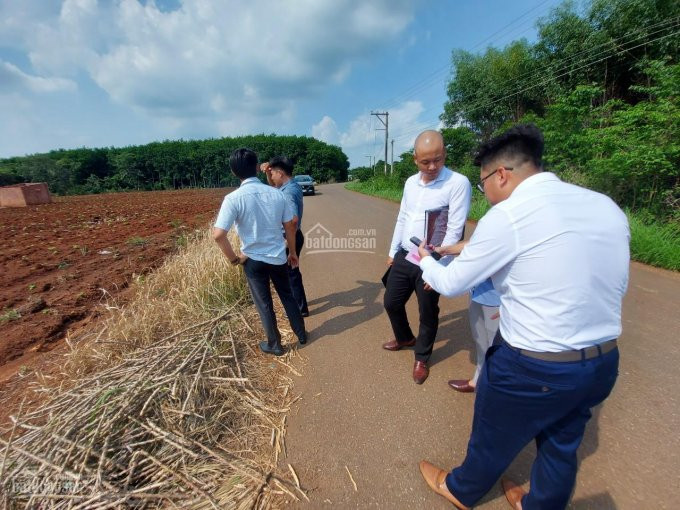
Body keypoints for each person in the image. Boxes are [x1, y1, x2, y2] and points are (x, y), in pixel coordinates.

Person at [416, 124, 629, 509]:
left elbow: (451, 283)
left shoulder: (509, 215)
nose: (486, 194)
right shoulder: (604, 205)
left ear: (501, 174)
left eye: (483, 184)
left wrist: (427, 259)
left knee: (492, 433)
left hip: (533, 364)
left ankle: (461, 490)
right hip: (602, 361)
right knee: (562, 443)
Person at [383, 130, 471, 384]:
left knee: (427, 311)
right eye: (426, 162)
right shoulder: (410, 183)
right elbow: (403, 217)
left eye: (438, 159)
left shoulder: (457, 183)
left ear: (444, 154)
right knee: (391, 302)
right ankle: (404, 338)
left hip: (432, 259)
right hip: (404, 254)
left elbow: (455, 229)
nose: (433, 166)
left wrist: (440, 268)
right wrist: (391, 252)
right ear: (415, 159)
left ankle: (421, 356)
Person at [213, 148, 307, 356]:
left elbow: (219, 235)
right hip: (277, 256)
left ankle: (275, 344)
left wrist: (234, 259)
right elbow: (291, 224)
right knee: (287, 296)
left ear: (233, 172)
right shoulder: (276, 194)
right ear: (257, 167)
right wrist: (292, 252)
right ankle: (301, 334)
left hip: (253, 260)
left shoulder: (233, 199)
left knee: (264, 303)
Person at [261, 156, 310, 317]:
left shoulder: (288, 192)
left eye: (273, 173)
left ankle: (300, 309)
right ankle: (300, 304)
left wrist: (288, 244)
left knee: (291, 274)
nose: (272, 177)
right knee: (292, 273)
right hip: (293, 236)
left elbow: (293, 220)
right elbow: (274, 185)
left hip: (291, 237)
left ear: (281, 173)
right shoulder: (289, 185)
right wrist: (268, 173)